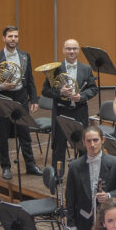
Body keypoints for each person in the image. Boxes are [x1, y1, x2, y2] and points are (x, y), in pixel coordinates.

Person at [0, 25, 41, 179]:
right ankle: (6, 167)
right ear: (4, 38)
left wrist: (34, 99)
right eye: (10, 36)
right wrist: (0, 86)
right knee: (2, 135)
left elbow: (29, 79)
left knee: (25, 134)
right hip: (2, 99)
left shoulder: (24, 56)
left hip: (21, 98)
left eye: (15, 36)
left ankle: (30, 165)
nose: (13, 39)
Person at [42, 38, 98, 171]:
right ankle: (58, 176)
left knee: (82, 145)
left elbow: (93, 89)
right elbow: (45, 91)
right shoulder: (55, 69)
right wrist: (60, 92)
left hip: (79, 111)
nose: (71, 51)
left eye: (74, 49)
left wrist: (82, 96)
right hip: (61, 111)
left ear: (78, 50)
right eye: (68, 48)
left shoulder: (86, 68)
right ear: (63, 50)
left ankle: (82, 174)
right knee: (59, 146)